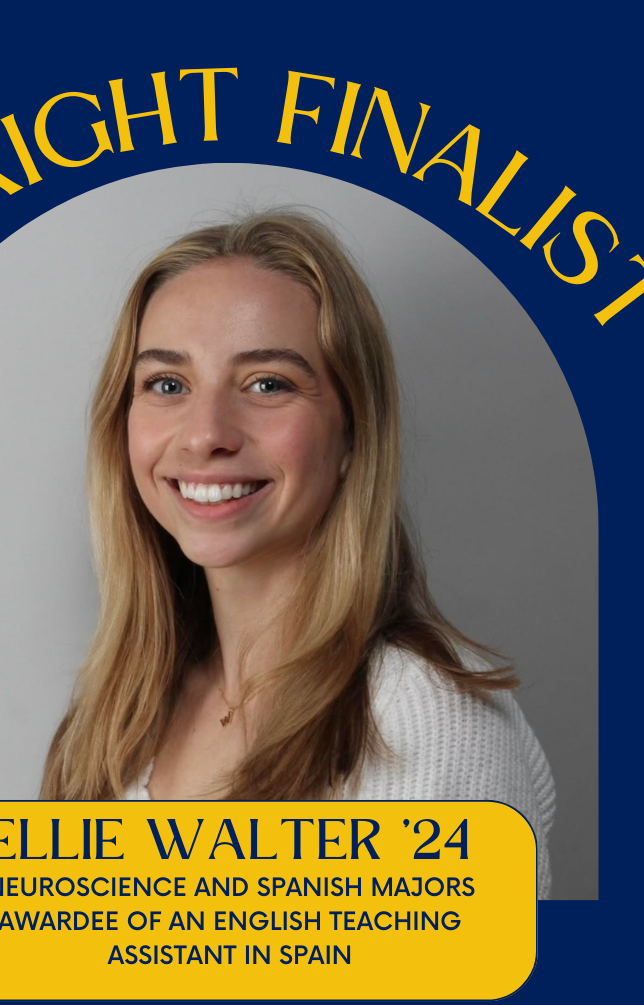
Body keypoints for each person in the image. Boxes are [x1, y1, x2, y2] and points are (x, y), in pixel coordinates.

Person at [41, 210, 555, 898]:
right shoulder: (117, 712)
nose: (206, 435)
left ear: (352, 436)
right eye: (167, 384)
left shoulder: (425, 714)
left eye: (267, 384)